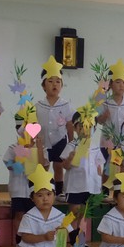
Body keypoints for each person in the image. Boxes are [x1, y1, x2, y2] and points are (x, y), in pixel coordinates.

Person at [60, 109, 104, 247]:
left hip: (90, 187)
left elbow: (99, 166)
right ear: (76, 128)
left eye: (90, 126)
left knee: (84, 215)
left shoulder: (95, 146)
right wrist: (70, 158)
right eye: (82, 126)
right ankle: (67, 235)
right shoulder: (71, 145)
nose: (86, 129)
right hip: (75, 187)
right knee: (74, 214)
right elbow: (65, 166)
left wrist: (100, 179)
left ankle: (80, 241)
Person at [36, 56, 74, 201]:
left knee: (58, 166)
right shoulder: (38, 106)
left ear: (61, 85)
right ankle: (42, 188)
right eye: (50, 81)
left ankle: (59, 191)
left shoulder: (66, 105)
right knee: (44, 166)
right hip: (43, 141)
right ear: (43, 85)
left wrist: (71, 141)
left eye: (58, 81)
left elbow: (69, 124)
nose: (54, 84)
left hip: (60, 140)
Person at [97, 59, 124, 160]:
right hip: (108, 142)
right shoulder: (104, 101)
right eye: (118, 82)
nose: (121, 85)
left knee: (122, 166)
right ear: (110, 84)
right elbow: (98, 120)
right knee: (108, 167)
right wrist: (103, 117)